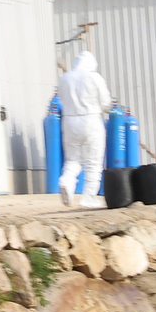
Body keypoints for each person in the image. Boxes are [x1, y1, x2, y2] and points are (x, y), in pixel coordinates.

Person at [56, 50, 110, 206]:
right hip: (91, 120)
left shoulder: (65, 79)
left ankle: (66, 181)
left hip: (69, 121)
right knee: (93, 161)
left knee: (73, 159)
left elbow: (62, 100)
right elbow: (105, 102)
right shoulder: (95, 77)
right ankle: (89, 197)